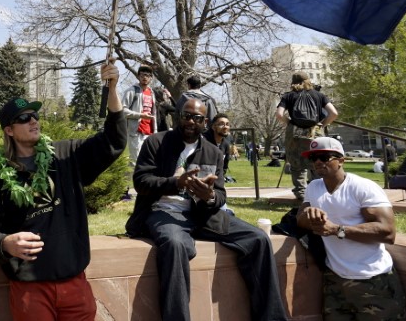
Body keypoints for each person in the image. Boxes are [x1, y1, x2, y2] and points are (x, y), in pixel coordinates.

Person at [0, 60, 126, 321]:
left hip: (75, 284)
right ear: (9, 130)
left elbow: (114, 140)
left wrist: (111, 90)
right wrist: (5, 243)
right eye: (23, 118)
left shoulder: (66, 155)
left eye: (35, 116)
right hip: (30, 290)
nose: (33, 121)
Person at [126, 98, 288, 321]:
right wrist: (176, 183)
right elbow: (141, 181)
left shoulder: (213, 152)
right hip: (164, 212)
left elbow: (220, 195)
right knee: (175, 245)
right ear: (178, 117)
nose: (190, 121)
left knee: (258, 239)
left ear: (206, 123)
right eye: (186, 116)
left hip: (202, 214)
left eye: (197, 118)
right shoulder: (156, 142)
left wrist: (209, 196)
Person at [296, 137, 406, 320]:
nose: (317, 162)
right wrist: (310, 214)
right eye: (313, 157)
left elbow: (388, 232)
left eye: (324, 157)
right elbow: (300, 219)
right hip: (334, 279)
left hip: (372, 279)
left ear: (341, 160)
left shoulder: (363, 187)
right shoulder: (313, 187)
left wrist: (337, 230)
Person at [275, 71, 338, 200]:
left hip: (294, 133)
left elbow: (279, 114)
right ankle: (319, 194)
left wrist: (290, 123)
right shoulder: (319, 95)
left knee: (296, 165)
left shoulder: (288, 96)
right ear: (308, 81)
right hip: (314, 132)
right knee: (317, 161)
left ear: (293, 82)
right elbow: (334, 113)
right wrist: (322, 124)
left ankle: (301, 195)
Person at [122, 64, 156, 165]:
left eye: (147, 75)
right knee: (135, 162)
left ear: (151, 78)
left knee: (147, 161)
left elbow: (154, 114)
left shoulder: (151, 92)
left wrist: (155, 131)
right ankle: (132, 180)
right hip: (135, 132)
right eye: (142, 75)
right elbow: (123, 111)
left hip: (149, 132)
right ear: (138, 76)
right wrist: (141, 115)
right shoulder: (132, 91)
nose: (145, 77)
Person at [202, 113, 233, 179]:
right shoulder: (202, 141)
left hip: (217, 182)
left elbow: (224, 167)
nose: (225, 127)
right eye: (221, 124)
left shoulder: (226, 144)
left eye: (227, 124)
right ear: (213, 127)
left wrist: (219, 178)